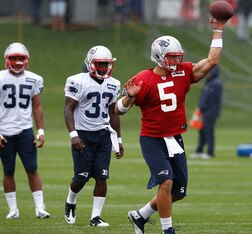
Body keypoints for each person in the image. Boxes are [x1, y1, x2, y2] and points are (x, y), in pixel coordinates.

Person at [114, 17, 227, 234]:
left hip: (175, 137)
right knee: (165, 182)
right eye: (172, 57)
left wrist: (218, 30)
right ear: (159, 57)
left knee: (179, 190)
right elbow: (118, 110)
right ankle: (168, 230)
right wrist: (129, 98)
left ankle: (141, 215)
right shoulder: (143, 79)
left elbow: (212, 61)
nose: (176, 60)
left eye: (178, 56)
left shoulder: (183, 72)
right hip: (152, 139)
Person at [64, 45, 124, 227]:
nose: (104, 68)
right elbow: (68, 109)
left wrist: (118, 139)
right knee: (81, 177)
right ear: (90, 64)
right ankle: (70, 201)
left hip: (103, 134)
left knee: (102, 176)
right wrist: (73, 135)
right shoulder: (77, 81)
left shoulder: (114, 83)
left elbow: (113, 113)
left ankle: (95, 217)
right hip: (82, 134)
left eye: (106, 64)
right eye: (100, 64)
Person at [0, 42, 50, 219]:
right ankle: (13, 210)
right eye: (14, 58)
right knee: (8, 171)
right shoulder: (0, 77)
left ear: (26, 59)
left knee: (32, 169)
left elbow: (37, 107)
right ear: (7, 59)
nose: (17, 61)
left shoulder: (34, 78)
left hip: (25, 130)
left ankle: (40, 208)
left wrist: (41, 130)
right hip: (4, 133)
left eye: (20, 58)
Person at [190, 66, 222, 159]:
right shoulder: (209, 82)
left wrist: (201, 108)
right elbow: (203, 98)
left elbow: (210, 100)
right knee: (202, 131)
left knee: (209, 132)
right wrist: (199, 107)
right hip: (204, 111)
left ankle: (210, 153)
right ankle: (199, 151)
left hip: (210, 112)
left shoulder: (216, 84)